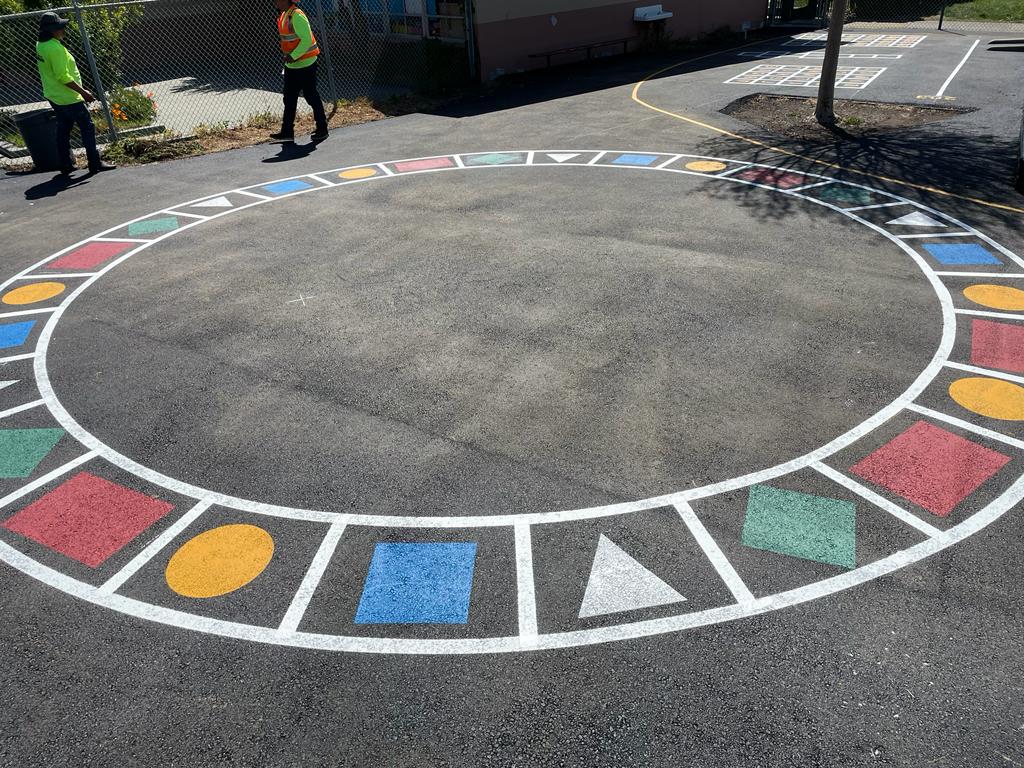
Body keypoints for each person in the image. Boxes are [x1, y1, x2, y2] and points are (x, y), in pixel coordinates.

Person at [35, 12, 114, 175]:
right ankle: (95, 163)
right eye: (60, 27)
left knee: (63, 129)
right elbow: (62, 76)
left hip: (54, 95)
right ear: (52, 29)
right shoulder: (55, 48)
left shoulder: (40, 45)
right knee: (87, 127)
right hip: (68, 97)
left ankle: (65, 164)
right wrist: (83, 92)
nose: (63, 29)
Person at [272, 0, 329, 143]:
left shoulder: (296, 16)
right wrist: (290, 59)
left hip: (305, 65)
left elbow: (306, 40)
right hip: (291, 66)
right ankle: (287, 132)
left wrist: (293, 56)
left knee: (311, 96)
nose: (275, 1)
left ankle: (322, 128)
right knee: (289, 99)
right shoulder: (284, 15)